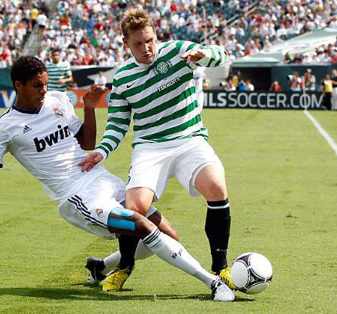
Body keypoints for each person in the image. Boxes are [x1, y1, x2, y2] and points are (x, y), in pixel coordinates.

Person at [0, 56, 234, 302]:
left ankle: (100, 267)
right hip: (77, 197)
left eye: (45, 84)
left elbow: (87, 142)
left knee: (168, 234)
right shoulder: (5, 126)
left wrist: (89, 108)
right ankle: (212, 282)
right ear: (19, 85)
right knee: (141, 225)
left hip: (101, 180)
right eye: (37, 86)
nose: (44, 90)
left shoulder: (58, 100)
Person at [80, 8, 235, 292]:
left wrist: (205, 56)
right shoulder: (123, 78)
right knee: (133, 207)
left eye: (150, 40)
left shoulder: (178, 51)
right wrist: (101, 151)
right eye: (138, 43)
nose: (146, 47)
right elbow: (117, 124)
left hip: (190, 139)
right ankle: (124, 265)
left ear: (156, 35)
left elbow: (223, 54)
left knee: (216, 186)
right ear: (126, 44)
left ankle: (221, 267)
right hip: (150, 147)